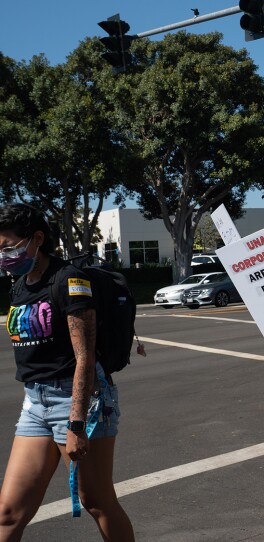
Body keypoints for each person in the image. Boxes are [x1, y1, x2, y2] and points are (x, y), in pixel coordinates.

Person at [0, 203, 134, 541]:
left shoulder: (68, 280)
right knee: (8, 512)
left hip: (78, 401)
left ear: (36, 239)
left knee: (97, 501)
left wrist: (76, 423)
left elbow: (85, 357)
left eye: (7, 247)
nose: (3, 256)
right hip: (35, 402)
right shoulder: (19, 285)